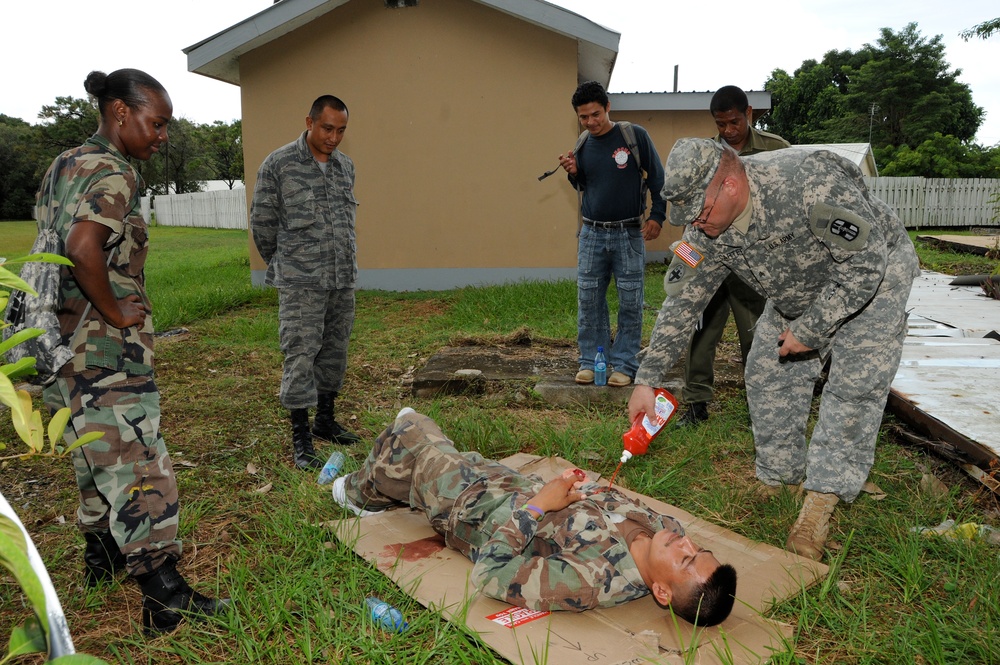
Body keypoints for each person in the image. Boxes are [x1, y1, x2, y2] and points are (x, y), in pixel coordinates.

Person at [629, 138, 919, 560]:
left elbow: (865, 262)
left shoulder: (807, 183)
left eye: (701, 211)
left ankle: (822, 496)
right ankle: (781, 476)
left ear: (730, 184)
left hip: (875, 280)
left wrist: (813, 329)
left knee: (853, 386)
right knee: (766, 374)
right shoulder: (704, 228)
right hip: (797, 292)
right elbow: (682, 299)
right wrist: (647, 380)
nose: (696, 222)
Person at [40, 69, 227, 634]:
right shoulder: (116, 171)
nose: (162, 134)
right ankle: (162, 591)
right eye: (157, 122)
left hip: (57, 341)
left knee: (89, 452)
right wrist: (118, 312)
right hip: (102, 346)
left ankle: (101, 559)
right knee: (138, 458)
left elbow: (53, 241)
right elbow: (81, 247)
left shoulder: (64, 163)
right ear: (120, 112)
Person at [331, 408, 738, 626]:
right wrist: (579, 490)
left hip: (468, 506)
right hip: (507, 481)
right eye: (696, 548)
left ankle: (357, 492)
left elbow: (490, 573)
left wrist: (540, 505)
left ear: (662, 594)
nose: (684, 542)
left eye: (685, 559)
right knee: (419, 440)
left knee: (407, 432)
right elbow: (606, 504)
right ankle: (391, 477)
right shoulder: (669, 532)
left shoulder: (589, 580)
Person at [250, 95, 362, 471]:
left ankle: (325, 420)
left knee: (334, 350)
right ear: (310, 122)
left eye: (341, 130)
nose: (334, 137)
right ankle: (300, 436)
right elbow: (263, 225)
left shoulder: (346, 167)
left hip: (341, 278)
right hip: (301, 282)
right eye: (328, 128)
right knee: (300, 353)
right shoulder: (279, 164)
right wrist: (291, 266)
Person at [679, 85, 790, 426]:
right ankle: (696, 405)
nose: (727, 130)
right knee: (699, 333)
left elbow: (790, 207)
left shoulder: (777, 150)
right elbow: (689, 217)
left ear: (749, 114)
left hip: (756, 264)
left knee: (758, 336)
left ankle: (763, 407)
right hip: (711, 260)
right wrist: (685, 263)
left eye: (733, 122)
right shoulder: (704, 155)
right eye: (720, 123)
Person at [558, 81, 666, 388]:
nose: (591, 122)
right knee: (589, 299)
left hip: (629, 233)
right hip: (592, 234)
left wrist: (657, 215)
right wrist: (574, 173)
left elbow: (658, 178)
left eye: (595, 114)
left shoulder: (634, 137)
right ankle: (591, 360)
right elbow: (586, 187)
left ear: (608, 108)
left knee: (631, 301)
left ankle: (624, 363)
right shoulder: (583, 144)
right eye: (584, 117)